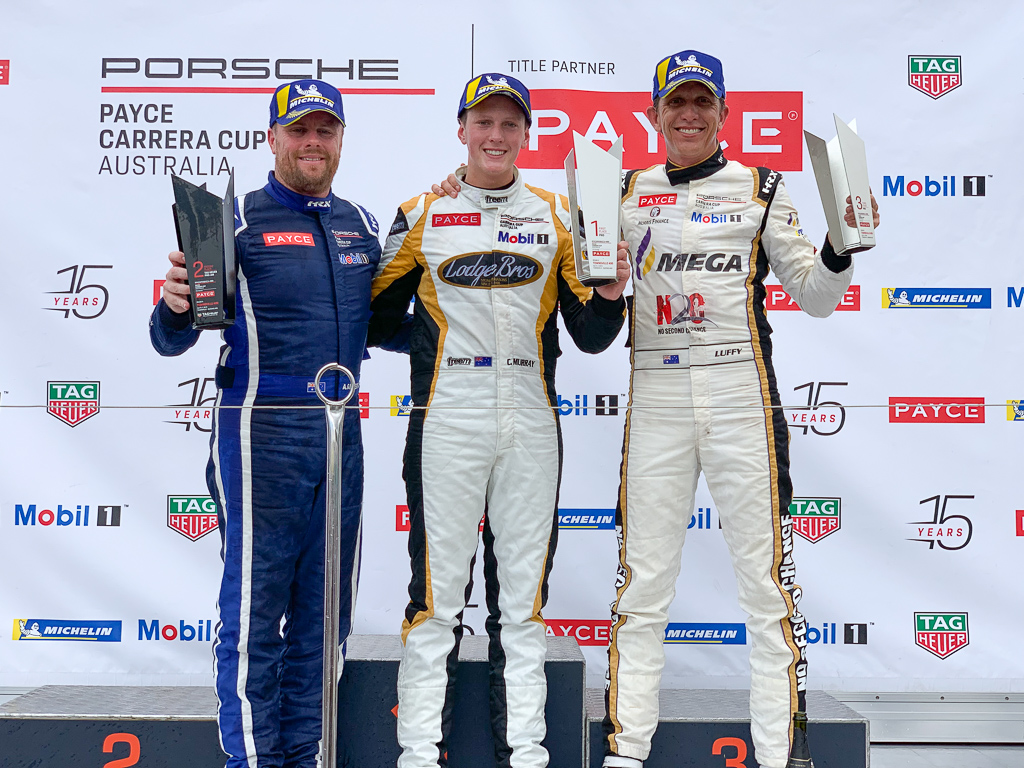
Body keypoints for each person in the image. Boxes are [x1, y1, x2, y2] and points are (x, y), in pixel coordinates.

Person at [601, 51, 879, 768]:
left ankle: (780, 753)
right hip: (655, 398)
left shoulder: (762, 188)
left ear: (722, 112)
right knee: (641, 588)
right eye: (675, 102)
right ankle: (626, 753)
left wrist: (842, 242)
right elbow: (594, 303)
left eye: (702, 102)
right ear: (654, 113)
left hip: (739, 397)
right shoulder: (624, 192)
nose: (688, 114)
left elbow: (816, 297)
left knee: (766, 588)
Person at [368, 73, 629, 768]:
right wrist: (432, 347)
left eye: (509, 123)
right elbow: (374, 316)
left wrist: (611, 293)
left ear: (526, 134)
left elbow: (593, 334)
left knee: (523, 601)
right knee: (435, 597)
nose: (495, 134)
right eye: (483, 121)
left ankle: (528, 750)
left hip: (530, 413)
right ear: (461, 129)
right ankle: (419, 751)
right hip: (447, 412)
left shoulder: (554, 214)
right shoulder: (422, 210)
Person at [150, 79, 392, 768]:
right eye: (299, 130)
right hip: (261, 431)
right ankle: (253, 762)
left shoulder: (361, 224)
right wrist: (172, 305)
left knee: (326, 617)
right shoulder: (234, 222)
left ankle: (304, 755)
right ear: (273, 138)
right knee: (256, 614)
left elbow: (388, 328)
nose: (312, 142)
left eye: (325, 130)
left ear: (341, 139)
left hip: (341, 437)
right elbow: (171, 340)